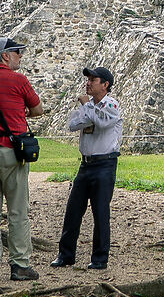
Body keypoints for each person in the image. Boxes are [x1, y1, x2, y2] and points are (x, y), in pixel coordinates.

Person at [0, 37, 44, 281]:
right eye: (16, 53)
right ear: (5, 56)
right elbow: (37, 109)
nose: (20, 57)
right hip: (11, 149)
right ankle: (19, 264)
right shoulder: (19, 80)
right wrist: (21, 111)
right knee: (17, 210)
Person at [52, 66, 121, 271]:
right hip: (86, 164)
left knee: (100, 213)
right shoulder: (89, 105)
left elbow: (102, 122)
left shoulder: (112, 105)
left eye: (93, 79)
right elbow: (73, 124)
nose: (88, 83)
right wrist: (88, 109)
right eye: (88, 79)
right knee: (73, 211)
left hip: (104, 164)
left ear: (105, 85)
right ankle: (66, 255)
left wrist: (87, 108)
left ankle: (100, 258)